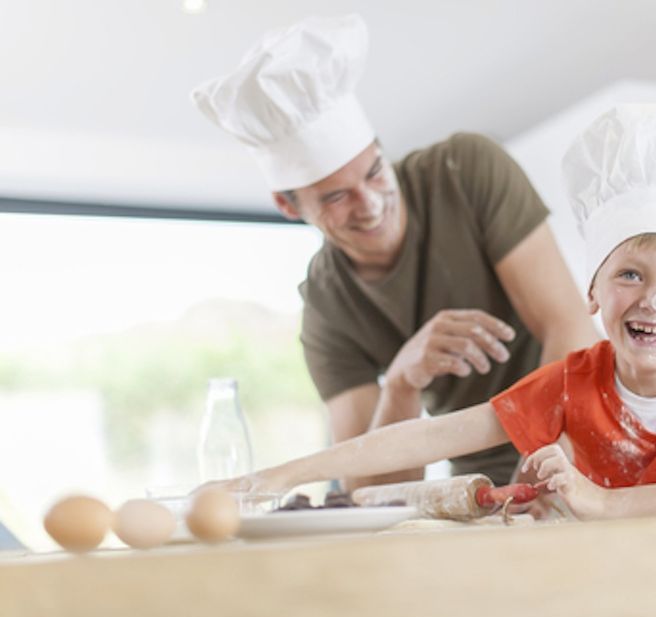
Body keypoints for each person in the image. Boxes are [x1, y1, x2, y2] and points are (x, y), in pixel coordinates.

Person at [208, 100, 656, 617]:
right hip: (613, 596)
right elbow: (426, 435)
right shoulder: (570, 382)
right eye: (630, 275)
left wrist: (600, 503)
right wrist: (278, 477)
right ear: (592, 292)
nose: (654, 298)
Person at [191, 14, 598, 490]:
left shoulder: (464, 171)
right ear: (287, 204)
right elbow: (370, 491)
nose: (371, 204)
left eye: (374, 172)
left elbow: (569, 330)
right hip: (480, 484)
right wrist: (404, 382)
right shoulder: (327, 307)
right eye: (336, 197)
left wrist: (548, 475)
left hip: (576, 453)